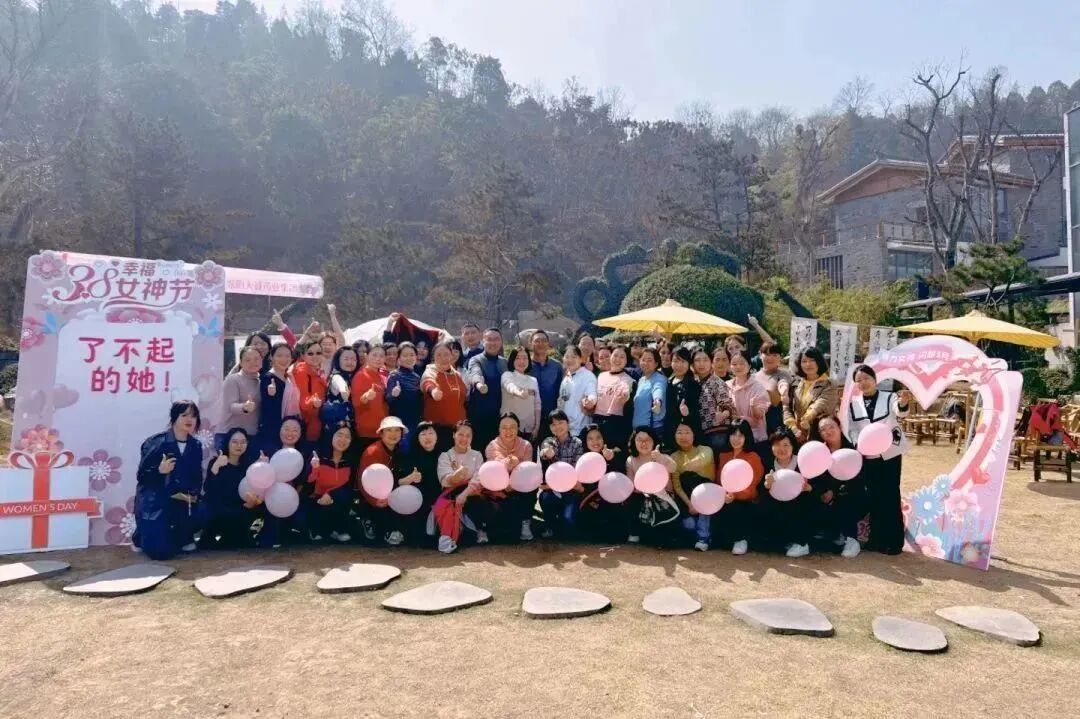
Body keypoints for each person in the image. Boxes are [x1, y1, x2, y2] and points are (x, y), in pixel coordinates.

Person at [845, 364, 912, 554]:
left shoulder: (889, 397)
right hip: (868, 455)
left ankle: (894, 542)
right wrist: (858, 443)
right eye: (859, 380)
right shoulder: (853, 404)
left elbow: (900, 412)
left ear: (875, 379)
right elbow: (852, 429)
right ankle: (875, 540)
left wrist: (903, 402)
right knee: (874, 496)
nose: (863, 383)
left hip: (890, 453)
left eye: (866, 378)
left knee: (890, 495)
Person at [133, 401, 204, 559]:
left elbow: (197, 476)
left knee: (205, 511)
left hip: (183, 500)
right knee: (160, 552)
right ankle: (141, 536)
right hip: (157, 501)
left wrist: (192, 494)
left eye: (193, 416)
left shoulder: (196, 445)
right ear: (174, 418)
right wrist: (159, 471)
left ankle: (184, 535)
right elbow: (142, 476)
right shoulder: (156, 443)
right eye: (184, 415)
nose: (189, 420)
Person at [199, 428, 261, 550]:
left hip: (239, 509)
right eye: (234, 442)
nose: (239, 446)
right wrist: (216, 467)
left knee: (242, 542)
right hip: (218, 510)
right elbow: (208, 489)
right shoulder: (216, 461)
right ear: (227, 443)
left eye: (243, 442)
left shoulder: (249, 466)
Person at [359, 416, 415, 546]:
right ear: (381, 433)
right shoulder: (373, 452)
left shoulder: (399, 451)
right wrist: (374, 500)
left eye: (397, 430)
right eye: (389, 430)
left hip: (389, 494)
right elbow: (363, 480)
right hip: (371, 498)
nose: (393, 434)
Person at [815, 415, 865, 559]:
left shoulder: (852, 448)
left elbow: (858, 479)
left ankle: (851, 539)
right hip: (827, 497)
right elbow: (817, 478)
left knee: (847, 497)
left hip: (851, 494)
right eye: (823, 429)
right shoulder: (819, 451)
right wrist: (824, 491)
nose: (828, 431)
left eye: (831, 427)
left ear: (840, 427)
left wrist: (834, 491)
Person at [433, 420, 486, 551]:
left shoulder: (477, 455)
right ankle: (446, 538)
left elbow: (478, 479)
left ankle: (479, 529)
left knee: (482, 503)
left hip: (471, 494)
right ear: (454, 435)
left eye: (468, 436)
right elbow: (445, 480)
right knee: (447, 505)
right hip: (451, 495)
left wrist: (464, 494)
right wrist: (457, 475)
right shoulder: (445, 456)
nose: (464, 439)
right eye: (460, 434)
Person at [714, 421, 766, 555]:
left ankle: (741, 539)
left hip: (746, 500)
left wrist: (735, 495)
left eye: (740, 435)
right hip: (725, 498)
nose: (736, 439)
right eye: (733, 435)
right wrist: (724, 495)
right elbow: (719, 480)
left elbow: (752, 486)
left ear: (746, 437)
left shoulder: (753, 457)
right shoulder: (723, 455)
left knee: (737, 508)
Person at [761, 428, 814, 557]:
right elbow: (762, 491)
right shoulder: (768, 464)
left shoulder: (802, 462)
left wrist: (808, 488)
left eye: (786, 445)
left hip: (800, 507)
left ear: (792, 446)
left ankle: (802, 543)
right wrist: (767, 485)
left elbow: (817, 488)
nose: (781, 449)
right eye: (777, 445)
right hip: (778, 507)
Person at [484, 411, 536, 542]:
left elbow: (528, 470)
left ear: (518, 428)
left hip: (520, 487)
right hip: (499, 489)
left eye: (512, 427)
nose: (508, 431)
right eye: (504, 427)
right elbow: (492, 469)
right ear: (499, 429)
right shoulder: (492, 446)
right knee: (506, 532)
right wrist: (505, 464)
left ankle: (526, 522)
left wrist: (518, 465)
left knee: (532, 484)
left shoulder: (526, 445)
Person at [623, 425, 679, 545]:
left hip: (664, 497)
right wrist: (645, 490)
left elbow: (673, 467)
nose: (644, 443)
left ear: (654, 442)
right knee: (631, 500)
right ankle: (634, 532)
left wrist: (661, 458)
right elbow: (631, 484)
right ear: (634, 442)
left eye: (647, 439)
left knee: (663, 539)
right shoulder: (630, 460)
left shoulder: (661, 456)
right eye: (639, 440)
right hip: (642, 495)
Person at [669, 420, 716, 551]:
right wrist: (690, 504)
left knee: (699, 482)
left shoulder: (705, 450)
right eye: (679, 433)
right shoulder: (674, 457)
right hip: (687, 499)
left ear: (694, 434)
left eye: (687, 432)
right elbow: (677, 486)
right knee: (689, 525)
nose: (683, 436)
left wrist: (692, 464)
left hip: (706, 497)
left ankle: (703, 538)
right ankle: (701, 535)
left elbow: (704, 459)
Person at [538, 410, 585, 539]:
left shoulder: (577, 443)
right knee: (545, 497)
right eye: (553, 424)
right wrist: (546, 453)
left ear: (567, 423)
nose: (557, 426)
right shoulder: (549, 441)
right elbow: (545, 451)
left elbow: (577, 470)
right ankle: (550, 525)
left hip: (572, 490)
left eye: (560, 422)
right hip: (554, 491)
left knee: (568, 522)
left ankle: (564, 521)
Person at [307, 421, 356, 543]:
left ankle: (338, 530)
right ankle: (318, 529)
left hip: (337, 500)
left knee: (343, 496)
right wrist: (315, 468)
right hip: (318, 500)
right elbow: (309, 482)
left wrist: (330, 494)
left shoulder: (351, 461)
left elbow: (349, 486)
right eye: (339, 435)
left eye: (347, 437)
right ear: (331, 436)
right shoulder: (318, 457)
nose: (343, 440)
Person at [421, 341, 469, 451]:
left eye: (446, 354)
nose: (443, 358)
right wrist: (433, 391)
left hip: (458, 429)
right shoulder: (430, 372)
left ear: (452, 356)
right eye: (439, 355)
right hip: (438, 429)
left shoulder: (457, 374)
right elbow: (427, 383)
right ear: (433, 358)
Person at [783, 347, 838, 443]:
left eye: (812, 360)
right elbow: (787, 406)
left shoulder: (829, 384)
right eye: (804, 361)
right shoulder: (796, 383)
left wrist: (807, 419)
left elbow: (821, 404)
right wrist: (794, 428)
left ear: (819, 362)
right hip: (796, 436)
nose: (808, 364)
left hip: (819, 435)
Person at [466, 328, 507, 451]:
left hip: (501, 417)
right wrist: (479, 384)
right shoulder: (476, 360)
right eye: (489, 339)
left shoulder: (505, 362)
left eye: (496, 339)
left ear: (501, 342)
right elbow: (475, 373)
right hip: (479, 417)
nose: (493, 343)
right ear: (483, 341)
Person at [594, 345, 635, 467]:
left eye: (622, 357)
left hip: (616, 424)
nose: (618, 359)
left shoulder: (628, 380)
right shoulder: (601, 376)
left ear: (626, 361)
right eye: (615, 355)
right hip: (598, 421)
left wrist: (624, 396)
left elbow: (625, 392)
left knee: (614, 460)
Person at [405, 421, 443, 545]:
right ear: (417, 438)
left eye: (431, 433)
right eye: (423, 434)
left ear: (437, 436)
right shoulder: (410, 456)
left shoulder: (444, 455)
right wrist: (411, 478)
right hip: (419, 498)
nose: (427, 437)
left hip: (440, 496)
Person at [694, 348, 737, 456]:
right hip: (703, 432)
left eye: (705, 360)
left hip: (718, 432)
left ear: (711, 363)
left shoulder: (717, 382)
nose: (701, 364)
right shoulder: (696, 382)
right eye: (697, 360)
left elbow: (727, 405)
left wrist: (723, 414)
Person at [727, 350, 771, 450]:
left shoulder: (757, 387)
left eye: (742, 363)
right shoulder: (726, 386)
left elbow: (759, 415)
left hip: (754, 437)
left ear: (749, 366)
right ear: (730, 367)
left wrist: (754, 407)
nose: (738, 367)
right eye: (734, 364)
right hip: (734, 437)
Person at [219, 346, 261, 445]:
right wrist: (244, 407)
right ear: (241, 363)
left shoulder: (261, 382)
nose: (253, 362)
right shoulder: (233, 379)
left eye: (256, 359)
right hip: (231, 435)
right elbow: (231, 406)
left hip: (251, 435)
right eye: (248, 360)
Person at [352, 343, 389, 454]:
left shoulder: (382, 375)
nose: (378, 359)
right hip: (367, 430)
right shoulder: (361, 375)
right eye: (374, 355)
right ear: (366, 355)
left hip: (381, 428)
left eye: (381, 356)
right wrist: (366, 397)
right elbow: (356, 402)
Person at [258, 342, 294, 452]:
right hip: (272, 432)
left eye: (287, 356)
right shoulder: (268, 378)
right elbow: (267, 408)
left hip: (288, 430)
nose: (284, 359)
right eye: (279, 356)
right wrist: (271, 396)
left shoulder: (289, 378)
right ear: (271, 357)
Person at [386, 342, 424, 448]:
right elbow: (388, 399)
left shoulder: (417, 377)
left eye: (412, 355)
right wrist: (393, 394)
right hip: (401, 423)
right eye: (405, 355)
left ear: (416, 357)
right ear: (399, 358)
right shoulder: (394, 375)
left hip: (415, 421)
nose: (409, 358)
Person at [501, 347, 541, 440]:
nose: (521, 361)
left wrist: (537, 427)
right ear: (512, 360)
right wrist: (519, 392)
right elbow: (509, 386)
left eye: (525, 358)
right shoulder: (507, 375)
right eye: (517, 358)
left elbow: (537, 405)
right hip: (509, 428)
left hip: (529, 429)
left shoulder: (533, 380)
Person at [528, 330, 563, 438]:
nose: (541, 344)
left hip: (551, 419)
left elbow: (560, 392)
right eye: (537, 341)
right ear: (530, 344)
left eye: (544, 341)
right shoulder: (524, 365)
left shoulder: (557, 366)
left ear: (548, 343)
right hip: (529, 419)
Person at [558, 345, 598, 438]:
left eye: (574, 357)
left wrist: (590, 401)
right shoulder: (566, 378)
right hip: (565, 430)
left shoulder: (587, 376)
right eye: (567, 357)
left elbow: (591, 392)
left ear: (580, 359)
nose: (570, 360)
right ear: (563, 359)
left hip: (580, 430)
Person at [664, 347, 701, 449]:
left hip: (686, 434)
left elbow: (696, 410)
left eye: (683, 361)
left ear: (689, 363)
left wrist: (688, 413)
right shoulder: (669, 381)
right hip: (670, 431)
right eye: (676, 361)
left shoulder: (692, 384)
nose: (679, 365)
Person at [292, 342, 328, 444]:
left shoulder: (318, 371)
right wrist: (313, 402)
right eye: (310, 353)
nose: (315, 356)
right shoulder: (301, 372)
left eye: (318, 353)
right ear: (303, 356)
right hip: (307, 424)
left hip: (317, 422)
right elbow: (303, 403)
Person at [753, 342, 792, 436]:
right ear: (760, 355)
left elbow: (782, 387)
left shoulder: (783, 374)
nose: (770, 358)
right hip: (756, 425)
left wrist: (784, 392)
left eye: (774, 355)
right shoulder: (752, 377)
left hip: (776, 426)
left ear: (780, 357)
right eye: (767, 354)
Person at [323, 346, 360, 428]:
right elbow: (340, 384)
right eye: (346, 359)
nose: (350, 362)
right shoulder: (336, 376)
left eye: (353, 359)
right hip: (336, 427)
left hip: (350, 425)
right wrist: (343, 390)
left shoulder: (354, 378)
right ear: (338, 360)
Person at [631, 347, 666, 433]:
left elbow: (658, 389)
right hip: (639, 430)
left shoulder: (659, 378)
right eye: (643, 360)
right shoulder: (641, 380)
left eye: (649, 360)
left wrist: (657, 401)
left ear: (656, 364)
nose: (645, 363)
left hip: (653, 430)